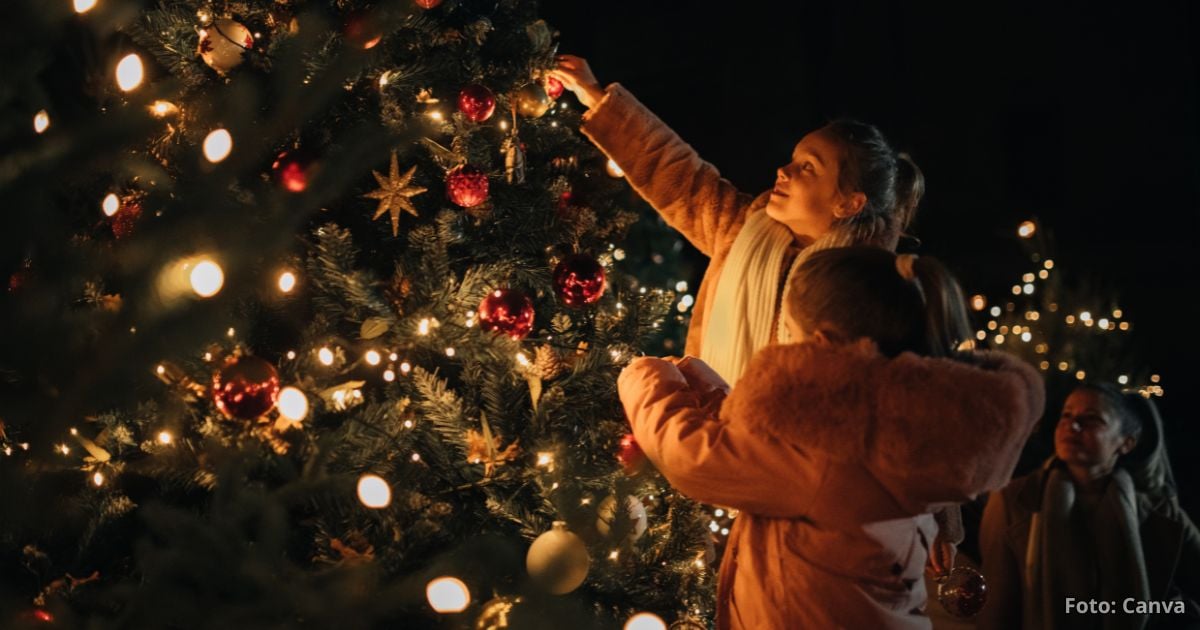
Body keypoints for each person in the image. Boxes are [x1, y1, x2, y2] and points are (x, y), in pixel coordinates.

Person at [617, 247, 1045, 629]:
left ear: (821, 343)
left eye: (791, 333)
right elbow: (761, 444)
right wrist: (696, 378)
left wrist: (646, 374)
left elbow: (693, 456)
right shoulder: (894, 422)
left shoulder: (827, 451)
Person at [978, 383, 1200, 629]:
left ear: (1126, 443)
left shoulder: (1159, 512)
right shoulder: (1014, 500)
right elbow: (996, 610)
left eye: (1092, 419)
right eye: (1067, 415)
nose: (1072, 426)